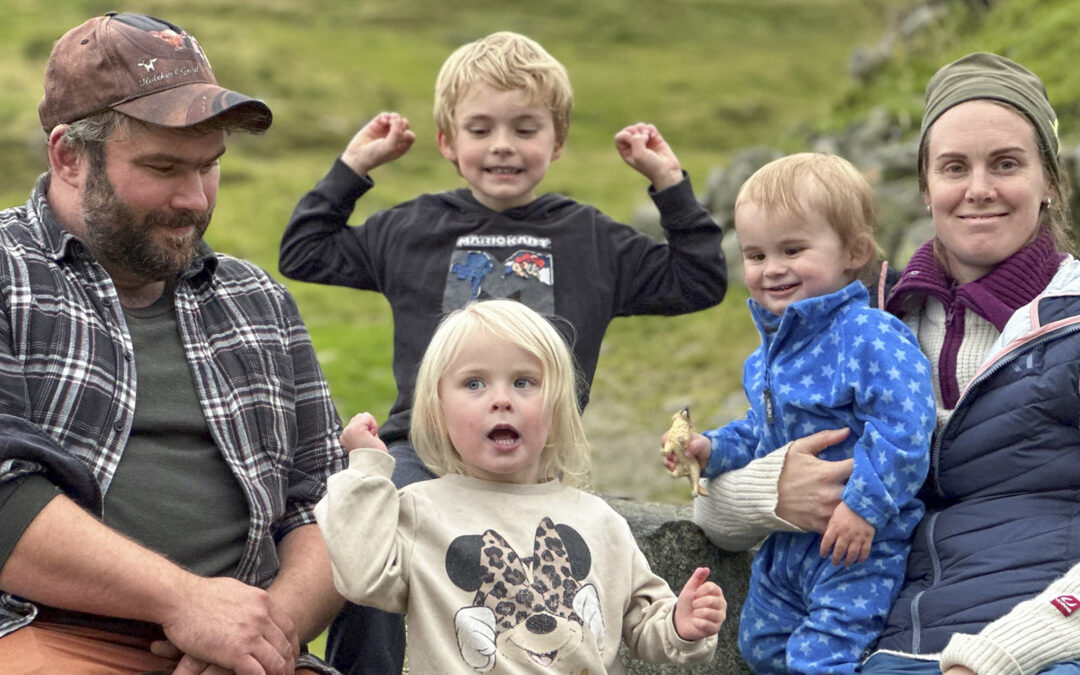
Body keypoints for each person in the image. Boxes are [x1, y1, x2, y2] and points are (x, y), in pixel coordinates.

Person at [279, 30, 727, 673]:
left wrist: (668, 183)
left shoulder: (591, 238)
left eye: (525, 128)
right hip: (422, 448)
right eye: (480, 128)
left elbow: (698, 279)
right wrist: (354, 168)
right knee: (384, 537)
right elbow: (306, 250)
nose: (502, 146)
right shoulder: (412, 227)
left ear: (558, 139)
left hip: (535, 455)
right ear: (446, 141)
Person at [690, 52, 1080, 675]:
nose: (978, 188)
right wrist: (775, 491)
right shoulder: (861, 326)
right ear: (926, 188)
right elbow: (711, 509)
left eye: (1006, 164)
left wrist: (1002, 654)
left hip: (1040, 651)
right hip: (884, 647)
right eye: (954, 167)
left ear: (1050, 182)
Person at [0, 12, 345, 674]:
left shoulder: (259, 302)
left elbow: (327, 506)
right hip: (42, 637)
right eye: (162, 166)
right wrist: (187, 601)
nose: (193, 199)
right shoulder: (9, 273)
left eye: (209, 166)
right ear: (69, 155)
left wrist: (261, 632)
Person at [316, 299, 726, 673]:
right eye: (474, 383)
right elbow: (361, 576)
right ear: (437, 411)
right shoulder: (421, 510)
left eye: (524, 382)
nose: (501, 399)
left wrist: (681, 623)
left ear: (558, 407)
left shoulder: (598, 520)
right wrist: (367, 469)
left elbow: (643, 623)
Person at [665, 153, 935, 673]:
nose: (772, 269)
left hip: (859, 542)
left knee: (822, 656)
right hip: (788, 542)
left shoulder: (871, 334)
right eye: (756, 254)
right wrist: (712, 448)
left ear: (853, 250)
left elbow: (906, 429)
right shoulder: (767, 355)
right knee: (760, 644)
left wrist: (866, 506)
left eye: (793, 249)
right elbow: (761, 430)